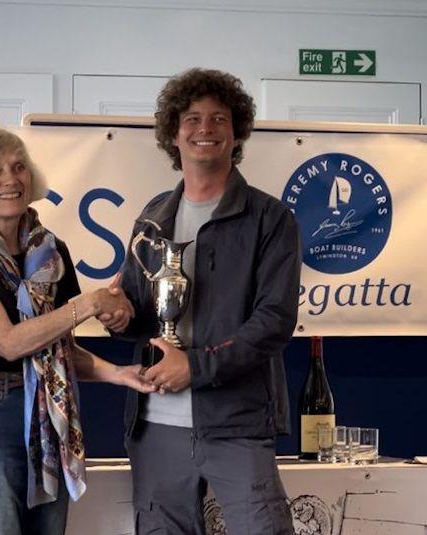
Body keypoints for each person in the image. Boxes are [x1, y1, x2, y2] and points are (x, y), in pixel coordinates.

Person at [0, 128, 155, 535]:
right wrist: (86, 304)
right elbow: (9, 342)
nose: (10, 179)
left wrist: (119, 374)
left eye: (19, 167)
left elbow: (58, 350)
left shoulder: (53, 253)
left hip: (51, 409)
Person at [117, 68, 301, 534]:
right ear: (173, 134)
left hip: (237, 423)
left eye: (219, 118)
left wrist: (194, 367)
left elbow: (273, 322)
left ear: (235, 131)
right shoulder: (151, 218)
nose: (205, 129)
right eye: (193, 118)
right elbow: (138, 310)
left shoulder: (271, 218)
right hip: (156, 423)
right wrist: (118, 314)